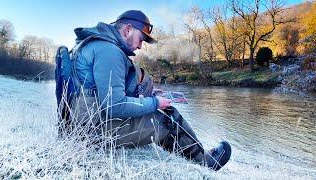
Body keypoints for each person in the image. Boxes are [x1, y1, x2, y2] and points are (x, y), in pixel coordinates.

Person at [65, 10, 231, 171]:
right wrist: (155, 103)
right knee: (166, 117)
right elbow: (113, 105)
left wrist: (149, 96)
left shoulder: (95, 44)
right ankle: (205, 163)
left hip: (84, 125)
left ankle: (192, 153)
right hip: (93, 132)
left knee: (158, 108)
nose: (141, 46)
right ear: (128, 30)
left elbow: (100, 94)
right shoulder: (109, 51)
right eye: (141, 38)